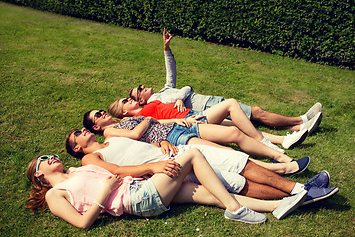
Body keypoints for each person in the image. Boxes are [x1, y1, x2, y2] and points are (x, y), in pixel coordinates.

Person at [26, 154, 310, 230]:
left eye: (51, 154)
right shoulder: (54, 195)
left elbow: (119, 172)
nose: (51, 157)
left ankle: (280, 206)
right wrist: (106, 191)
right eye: (44, 160)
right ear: (38, 174)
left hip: (141, 188)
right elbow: (82, 223)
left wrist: (148, 169)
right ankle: (235, 210)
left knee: (208, 193)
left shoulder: (75, 171)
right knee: (193, 155)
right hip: (136, 199)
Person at [125, 28, 323, 135]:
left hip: (209, 102)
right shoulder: (154, 105)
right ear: (141, 100)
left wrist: (166, 49)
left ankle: (299, 129)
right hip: (207, 108)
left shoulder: (163, 91)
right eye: (139, 90)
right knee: (256, 112)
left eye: (140, 85)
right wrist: (181, 97)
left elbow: (173, 74)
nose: (143, 87)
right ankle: (301, 120)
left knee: (252, 119)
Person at [65, 127, 338, 203]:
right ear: (77, 148)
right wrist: (153, 168)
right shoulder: (91, 157)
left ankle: (298, 189)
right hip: (175, 169)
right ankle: (301, 194)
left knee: (239, 160)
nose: (82, 131)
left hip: (179, 151)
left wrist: (160, 144)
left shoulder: (110, 138)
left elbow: (140, 142)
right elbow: (118, 172)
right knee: (236, 183)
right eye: (77, 134)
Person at [102, 100, 303, 163]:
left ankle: (280, 145)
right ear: (124, 112)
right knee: (232, 142)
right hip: (178, 132)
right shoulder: (117, 129)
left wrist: (180, 106)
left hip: (184, 122)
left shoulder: (145, 108)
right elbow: (140, 134)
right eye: (125, 101)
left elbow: (160, 119)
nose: (130, 99)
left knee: (236, 131)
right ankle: (274, 151)